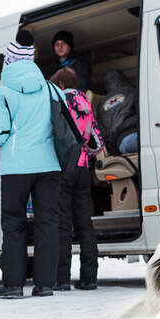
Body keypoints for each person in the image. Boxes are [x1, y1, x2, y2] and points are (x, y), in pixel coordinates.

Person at [0, 29, 63, 299]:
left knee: (14, 224)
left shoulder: (4, 92)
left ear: (9, 61)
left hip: (15, 169)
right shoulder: (50, 88)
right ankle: (45, 284)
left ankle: (13, 285)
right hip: (48, 166)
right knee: (48, 223)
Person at [49, 67, 104, 291]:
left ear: (60, 85)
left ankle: (62, 279)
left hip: (63, 167)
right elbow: (97, 142)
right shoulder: (86, 102)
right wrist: (85, 155)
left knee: (63, 225)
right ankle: (89, 278)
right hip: (82, 168)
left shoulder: (59, 100)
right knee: (85, 225)